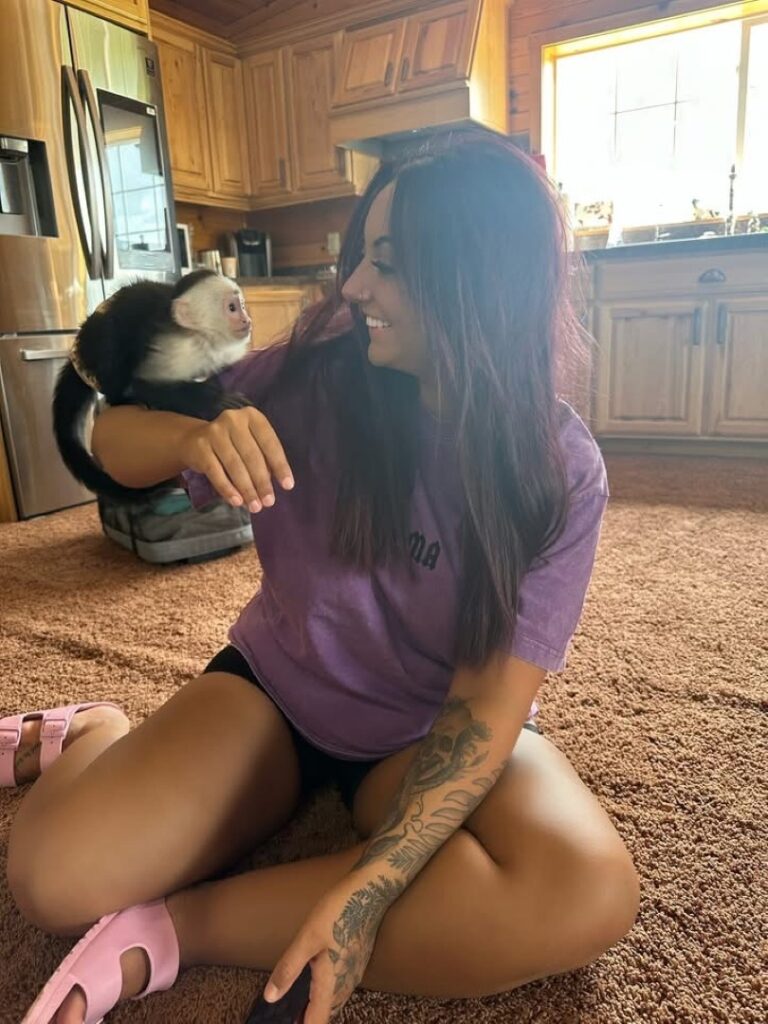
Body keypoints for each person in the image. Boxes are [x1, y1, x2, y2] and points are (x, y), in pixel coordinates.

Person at [4, 128, 639, 1024]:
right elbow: (109, 439)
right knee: (52, 877)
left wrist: (366, 891)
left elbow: (488, 707)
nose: (354, 287)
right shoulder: (317, 375)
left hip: (420, 731)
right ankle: (94, 731)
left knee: (586, 890)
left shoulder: (558, 472)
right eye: (360, 257)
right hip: (276, 692)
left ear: (476, 282)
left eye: (388, 264)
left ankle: (176, 930)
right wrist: (195, 435)